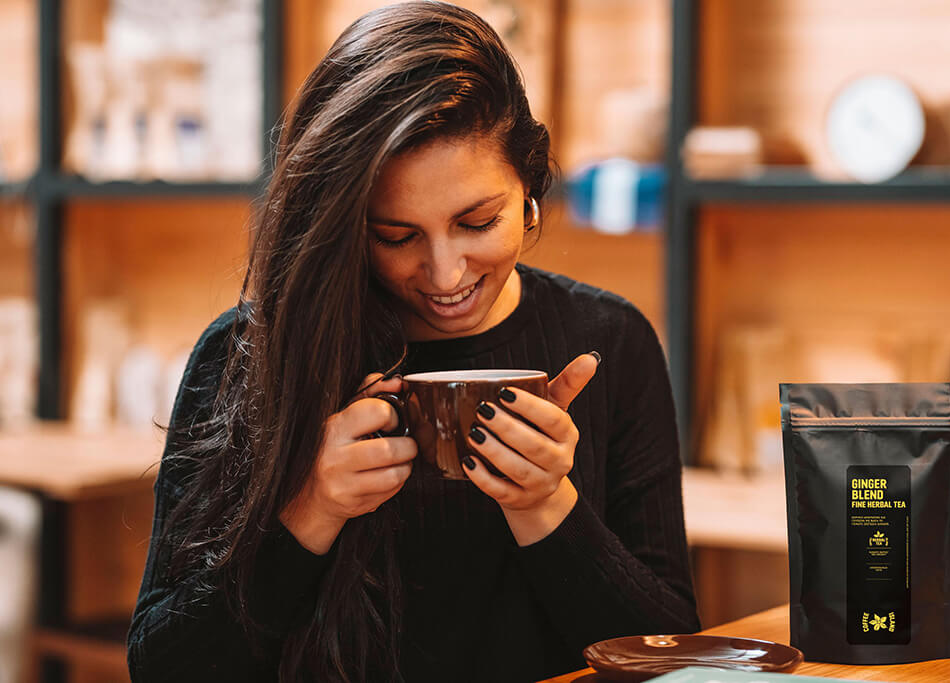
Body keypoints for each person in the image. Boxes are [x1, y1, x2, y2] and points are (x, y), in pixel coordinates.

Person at [127, 2, 699, 681]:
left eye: (478, 221)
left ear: (531, 184)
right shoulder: (250, 353)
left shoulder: (610, 341)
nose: (445, 273)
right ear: (344, 225)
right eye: (396, 236)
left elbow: (672, 661)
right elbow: (161, 665)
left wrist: (546, 505)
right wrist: (312, 512)